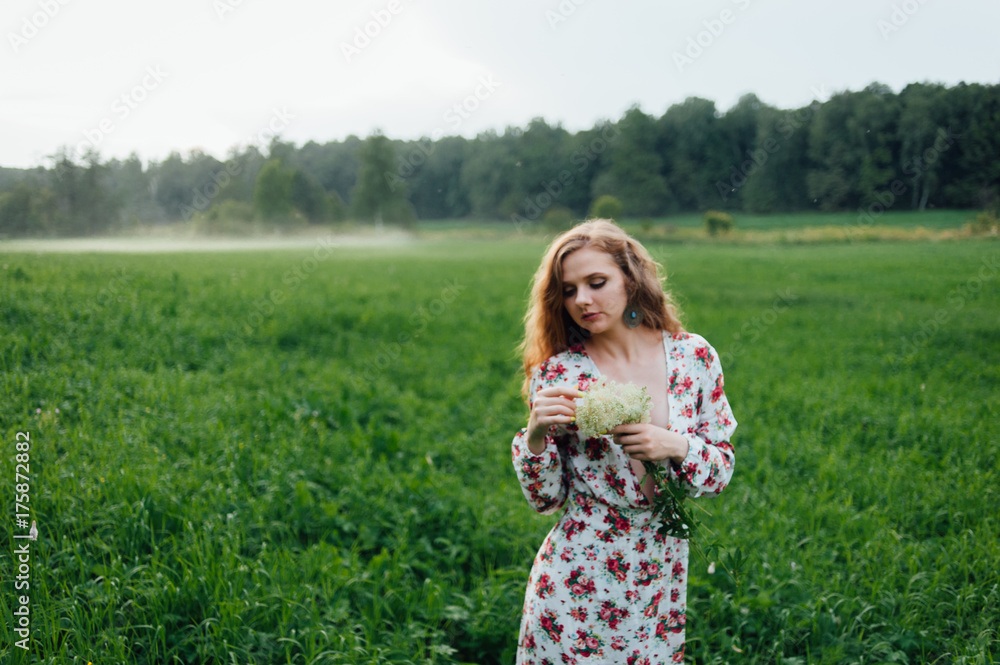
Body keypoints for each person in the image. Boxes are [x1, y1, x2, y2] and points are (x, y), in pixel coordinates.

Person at [511, 219, 737, 663]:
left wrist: (675, 446)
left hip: (661, 572)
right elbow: (545, 500)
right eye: (570, 290)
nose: (583, 300)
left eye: (597, 282)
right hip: (578, 575)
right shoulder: (560, 374)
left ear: (631, 280)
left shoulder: (694, 357)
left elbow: (721, 468)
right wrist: (535, 435)